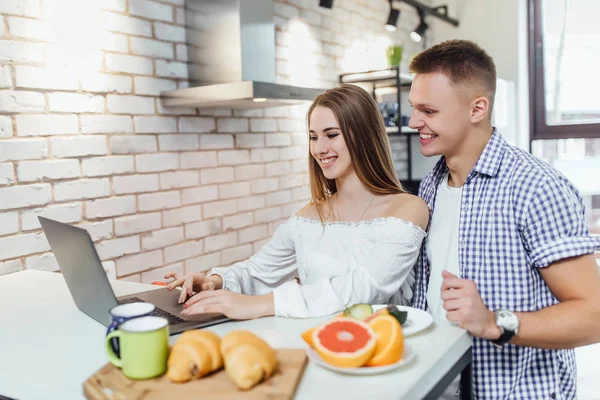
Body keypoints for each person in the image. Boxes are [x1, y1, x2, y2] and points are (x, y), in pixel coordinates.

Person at [408, 39, 600, 399]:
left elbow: (594, 316)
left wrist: (496, 321)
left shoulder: (537, 188)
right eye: (414, 109)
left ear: (477, 108)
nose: (414, 121)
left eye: (428, 111)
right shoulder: (432, 184)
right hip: (441, 384)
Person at [165, 83, 429, 320]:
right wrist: (214, 282)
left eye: (331, 134)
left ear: (363, 136)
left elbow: (365, 288)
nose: (319, 148)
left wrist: (259, 305)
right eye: (314, 137)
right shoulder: (307, 218)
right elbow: (258, 271)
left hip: (387, 356)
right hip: (318, 346)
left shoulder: (408, 210)